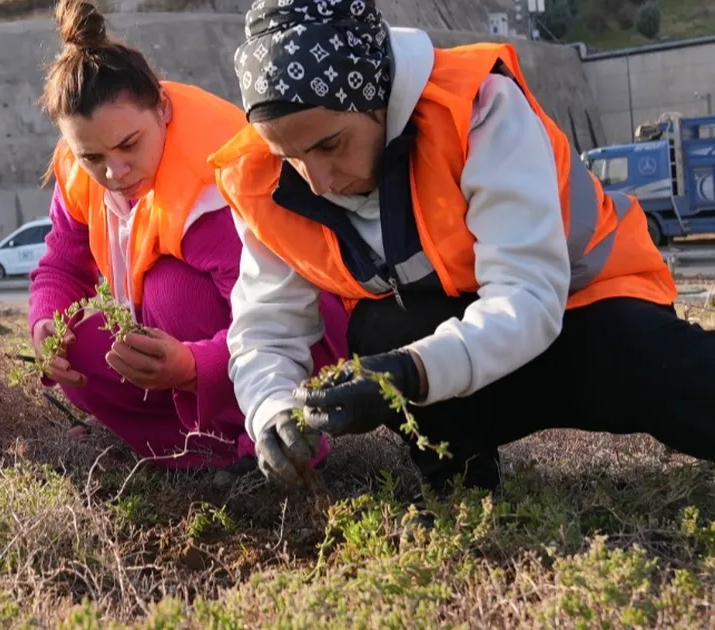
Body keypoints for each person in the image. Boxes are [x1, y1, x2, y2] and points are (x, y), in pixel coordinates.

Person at [210, 0, 715, 492]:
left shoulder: (479, 109)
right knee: (381, 330)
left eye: (330, 145)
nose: (315, 181)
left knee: (657, 365)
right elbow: (266, 329)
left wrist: (409, 372)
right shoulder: (262, 180)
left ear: (379, 94)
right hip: (467, 354)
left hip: (589, 310)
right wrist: (270, 410)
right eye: (291, 156)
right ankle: (461, 485)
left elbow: (528, 296)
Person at [28, 0, 350, 472]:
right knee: (74, 340)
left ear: (163, 107)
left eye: (128, 145)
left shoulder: (214, 186)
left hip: (308, 340)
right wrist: (45, 326)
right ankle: (195, 451)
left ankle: (267, 438)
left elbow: (292, 321)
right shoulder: (81, 172)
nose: (113, 172)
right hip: (189, 357)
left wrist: (194, 366)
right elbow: (60, 264)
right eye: (91, 157)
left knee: (168, 290)